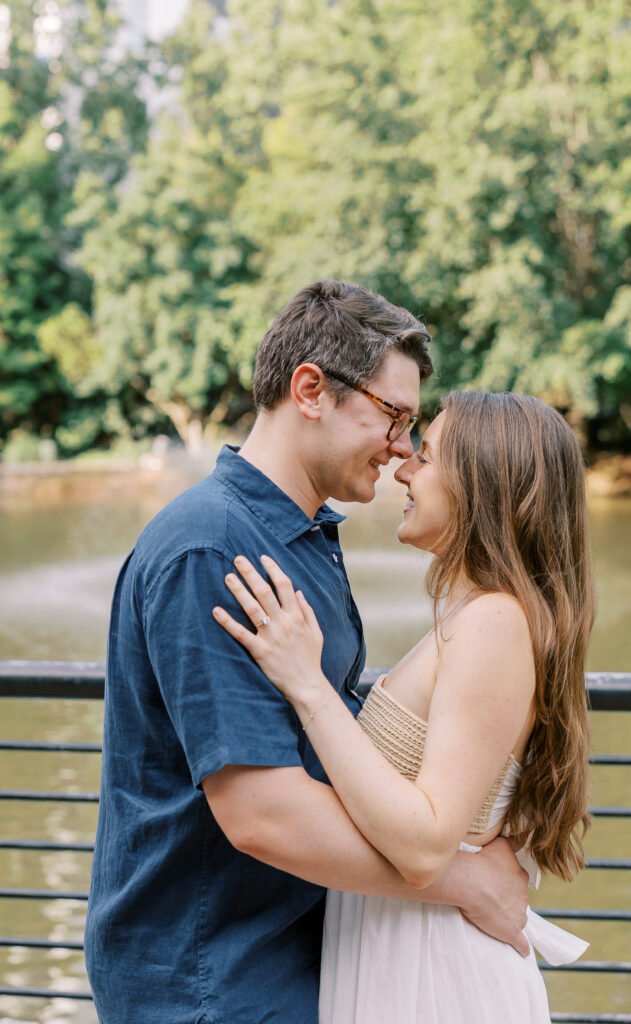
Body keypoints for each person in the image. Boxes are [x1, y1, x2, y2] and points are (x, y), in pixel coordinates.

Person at [84, 281, 531, 1024]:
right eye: (393, 416)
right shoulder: (212, 548)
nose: (400, 451)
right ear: (311, 390)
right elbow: (263, 814)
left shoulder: (298, 537)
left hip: (286, 963)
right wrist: (460, 878)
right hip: (210, 982)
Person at [212, 390, 594, 1023]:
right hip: (399, 942)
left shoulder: (493, 622)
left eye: (429, 456)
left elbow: (423, 845)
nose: (404, 468)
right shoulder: (474, 616)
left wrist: (308, 686)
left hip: (435, 968)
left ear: (483, 485)